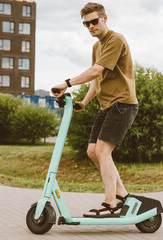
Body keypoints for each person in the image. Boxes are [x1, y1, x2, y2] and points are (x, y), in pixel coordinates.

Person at [51, 2, 138, 217]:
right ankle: (123, 196)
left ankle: (111, 203)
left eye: (94, 21)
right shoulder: (96, 46)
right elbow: (97, 77)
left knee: (103, 150)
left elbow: (94, 71)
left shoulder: (115, 40)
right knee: (92, 151)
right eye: (86, 24)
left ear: (104, 18)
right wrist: (84, 102)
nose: (90, 26)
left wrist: (67, 83)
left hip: (122, 103)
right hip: (106, 105)